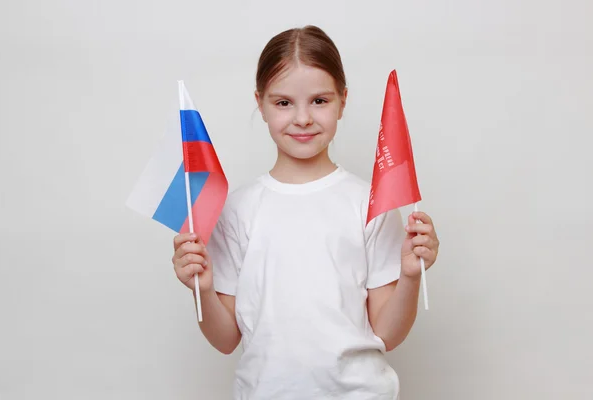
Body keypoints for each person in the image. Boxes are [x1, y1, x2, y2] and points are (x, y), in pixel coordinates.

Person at [171, 25, 440, 400]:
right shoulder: (236, 209)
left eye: (319, 101)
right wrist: (200, 288)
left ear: (342, 100)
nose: (302, 118)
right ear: (260, 103)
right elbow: (225, 339)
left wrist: (410, 276)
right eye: (283, 103)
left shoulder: (370, 204)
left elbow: (387, 333)